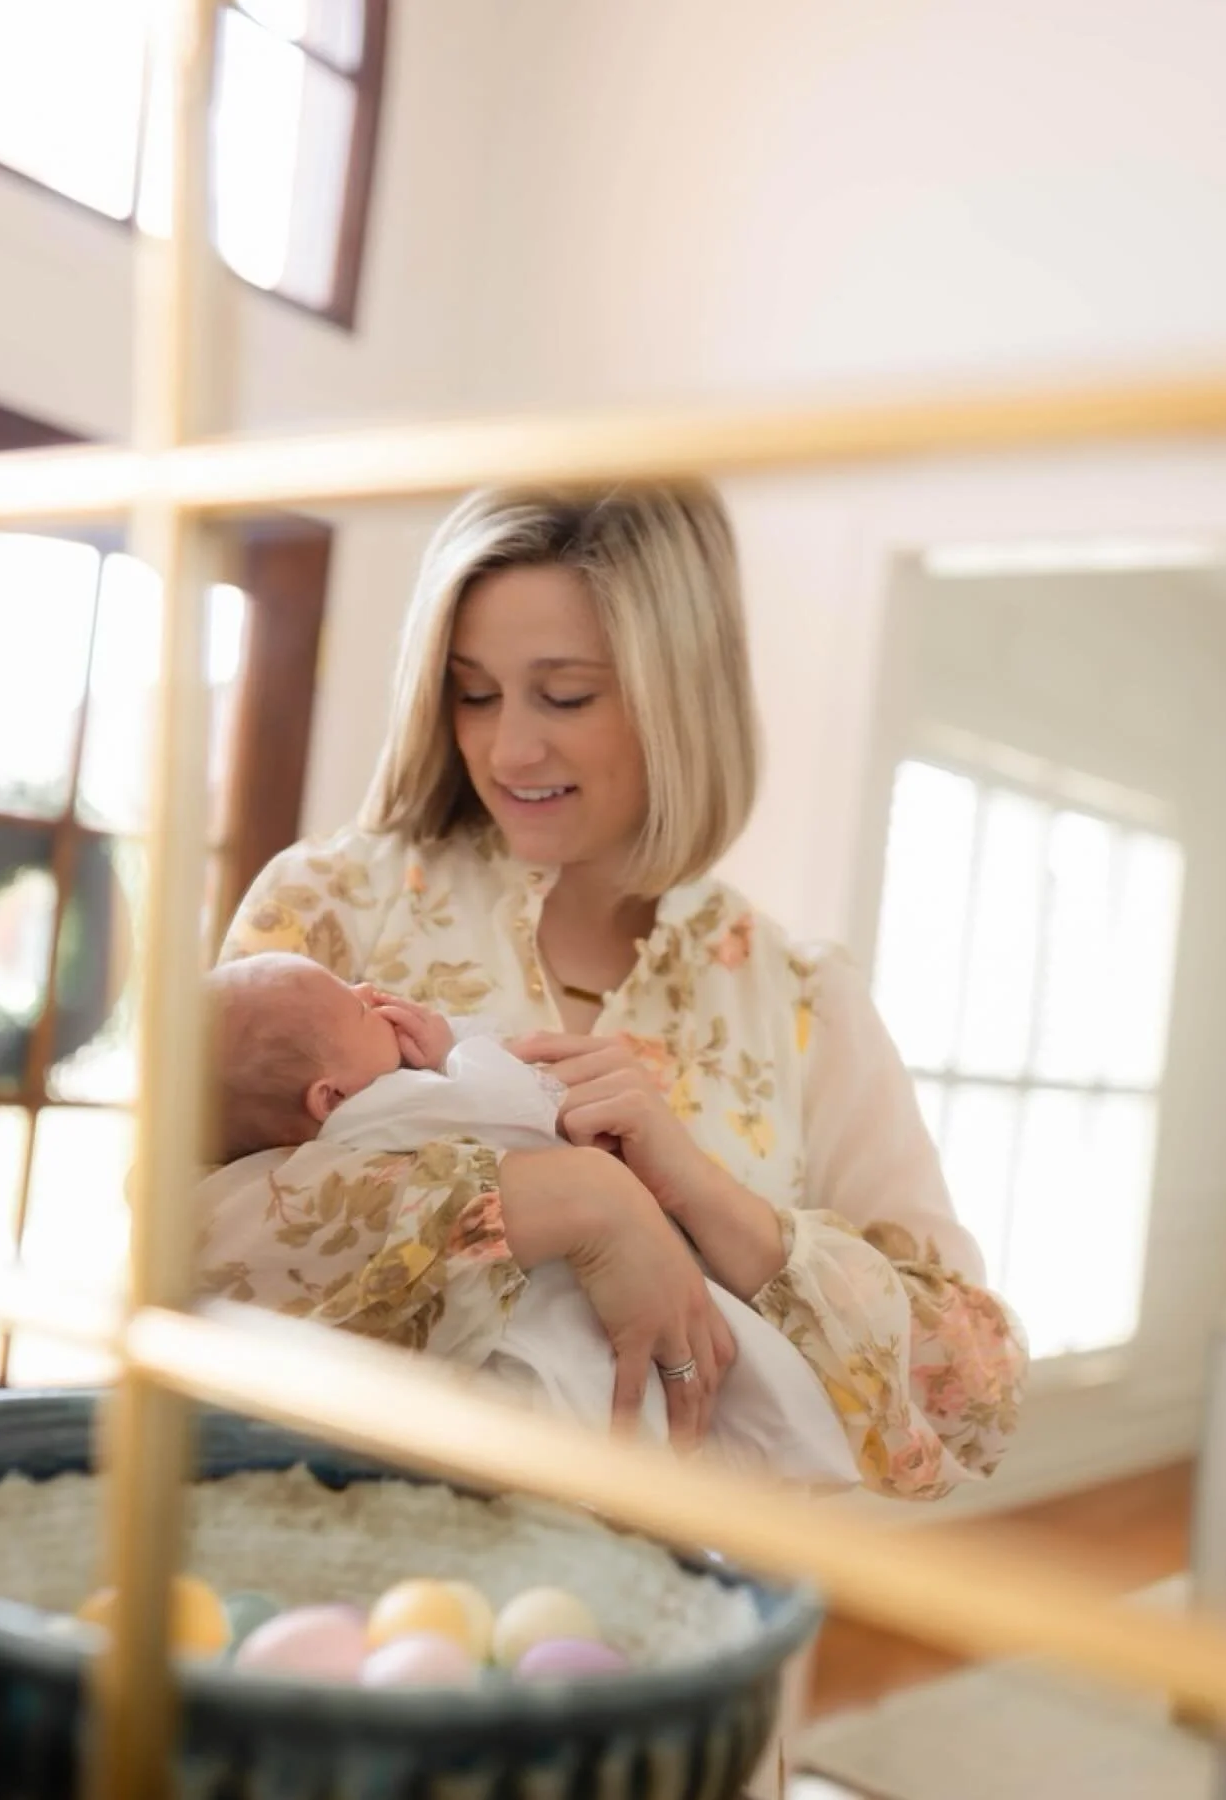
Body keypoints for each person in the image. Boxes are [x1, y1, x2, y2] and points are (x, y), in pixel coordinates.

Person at [200, 482, 1027, 1501]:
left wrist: (710, 1203)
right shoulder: (332, 909)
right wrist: (575, 1204)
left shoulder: (803, 1002)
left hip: (684, 1586)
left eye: (566, 696)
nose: (508, 749)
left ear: (681, 698)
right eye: (473, 692)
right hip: (352, 1560)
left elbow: (975, 1395)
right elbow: (177, 1242)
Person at [199, 950, 862, 1486]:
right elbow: (514, 1102)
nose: (372, 989)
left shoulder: (803, 986)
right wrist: (452, 1051)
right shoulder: (388, 1103)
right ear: (328, 1097)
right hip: (535, 1336)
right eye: (357, 1006)